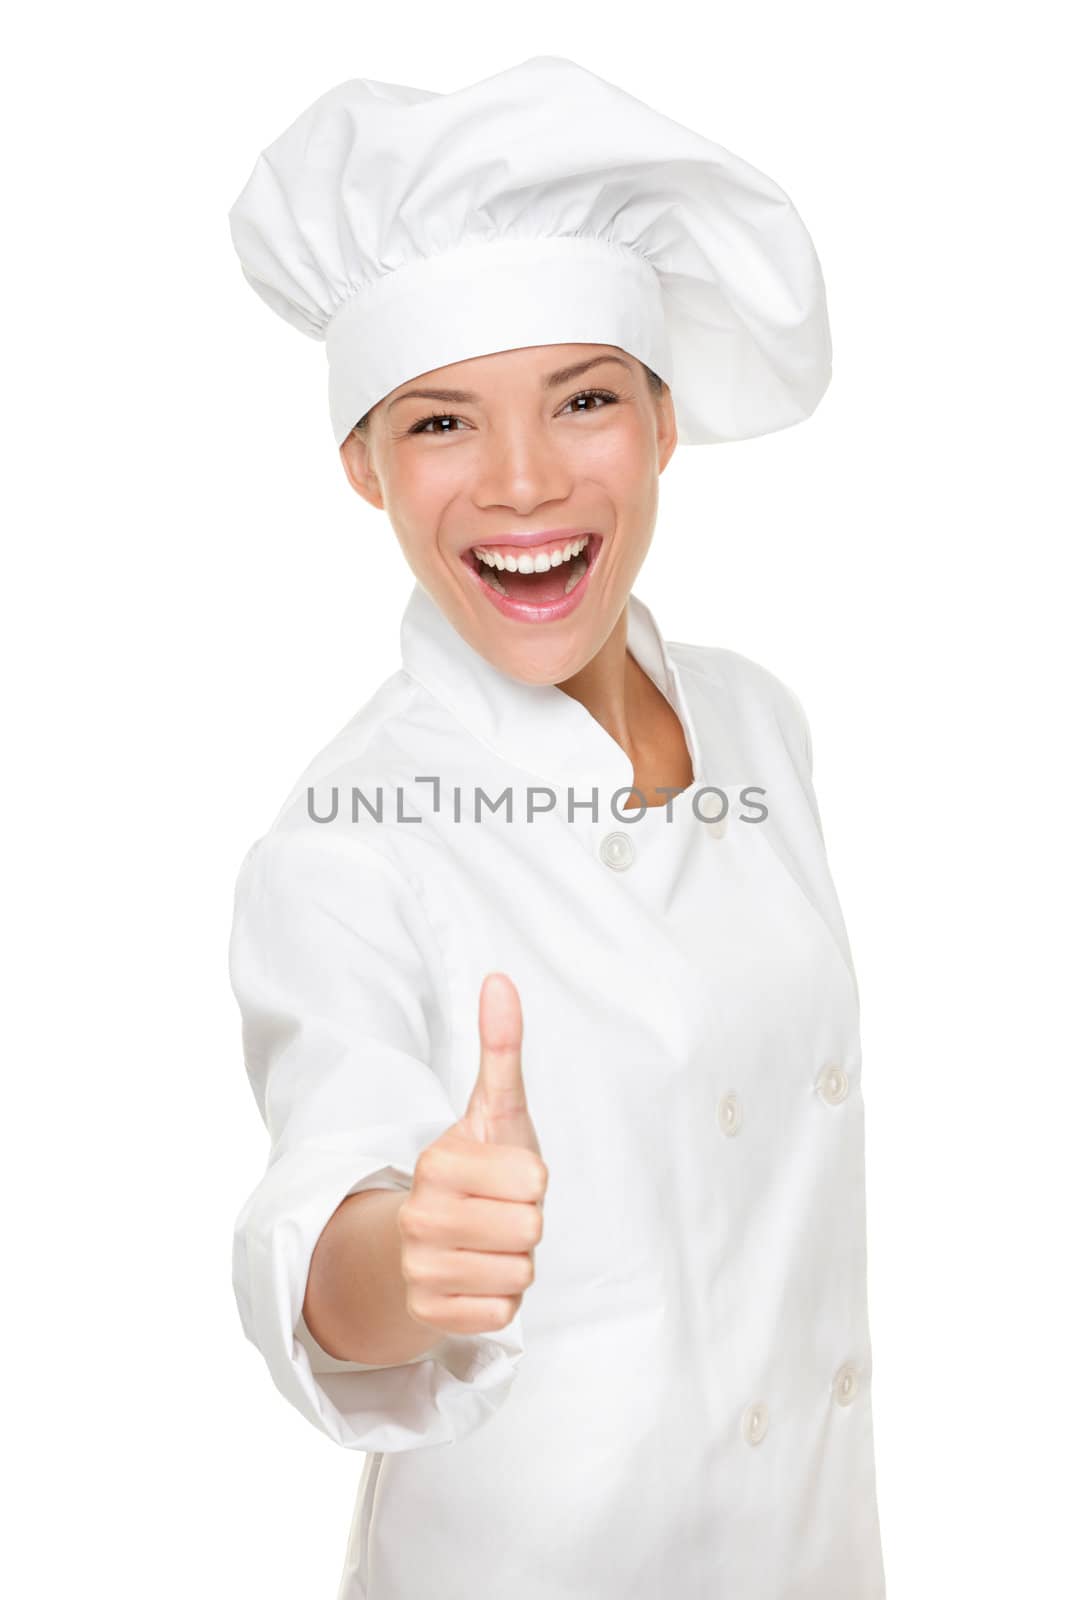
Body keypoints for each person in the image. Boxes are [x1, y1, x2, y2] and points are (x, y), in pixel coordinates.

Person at [226, 55, 887, 1600]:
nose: (523, 481)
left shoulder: (756, 724)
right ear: (364, 466)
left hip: (816, 1548)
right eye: (443, 421)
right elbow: (320, 1218)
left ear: (664, 425)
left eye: (584, 399)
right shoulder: (345, 846)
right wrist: (399, 1259)